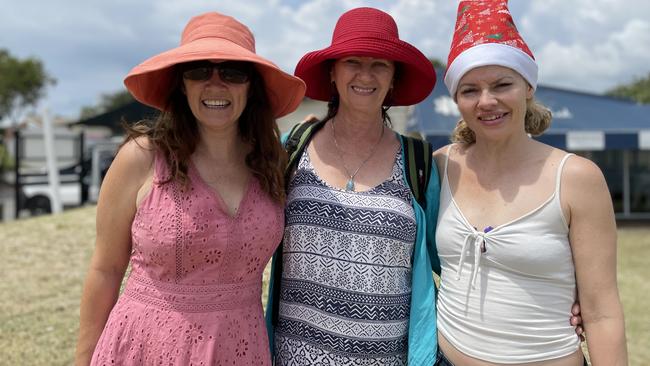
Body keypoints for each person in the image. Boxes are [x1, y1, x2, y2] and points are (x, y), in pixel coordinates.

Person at [74, 11, 305, 366]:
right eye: (199, 71)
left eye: (232, 72)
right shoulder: (142, 157)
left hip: (241, 348)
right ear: (182, 84)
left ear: (251, 85)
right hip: (145, 346)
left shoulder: (270, 164)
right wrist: (83, 359)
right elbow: (105, 269)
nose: (216, 84)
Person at [433, 1, 628, 365]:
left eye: (502, 84)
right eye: (469, 89)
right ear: (456, 99)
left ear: (527, 87)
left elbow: (602, 313)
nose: (486, 101)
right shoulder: (440, 165)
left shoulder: (574, 177)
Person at [265, 7, 442, 365]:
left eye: (380, 64)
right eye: (352, 61)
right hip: (294, 356)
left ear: (394, 78)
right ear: (332, 72)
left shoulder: (417, 162)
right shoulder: (291, 148)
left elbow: (452, 258)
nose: (366, 74)